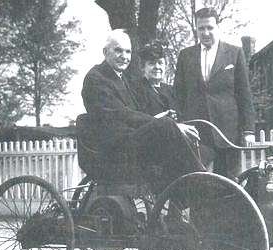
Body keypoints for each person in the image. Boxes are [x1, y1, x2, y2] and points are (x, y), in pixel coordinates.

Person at [80, 29, 204, 194]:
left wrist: (160, 119)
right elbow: (121, 114)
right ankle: (203, 183)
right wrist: (167, 125)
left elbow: (134, 112)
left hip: (126, 144)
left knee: (171, 140)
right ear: (105, 52)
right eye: (118, 50)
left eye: (127, 51)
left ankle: (182, 198)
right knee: (168, 127)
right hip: (111, 151)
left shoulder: (121, 77)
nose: (124, 56)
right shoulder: (96, 78)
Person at [174, 7, 256, 180]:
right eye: (201, 28)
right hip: (197, 133)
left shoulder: (235, 53)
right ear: (196, 29)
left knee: (230, 185)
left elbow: (244, 94)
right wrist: (181, 125)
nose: (205, 32)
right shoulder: (185, 56)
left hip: (228, 133)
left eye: (210, 27)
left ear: (218, 27)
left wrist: (248, 130)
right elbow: (178, 95)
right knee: (198, 185)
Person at [133, 39, 177, 118]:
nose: (157, 67)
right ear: (143, 67)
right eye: (151, 63)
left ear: (165, 66)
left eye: (160, 63)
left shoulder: (170, 90)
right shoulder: (137, 90)